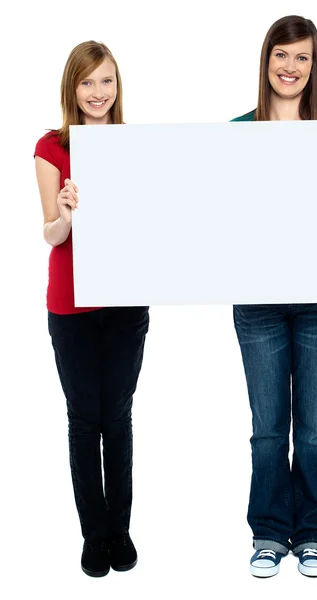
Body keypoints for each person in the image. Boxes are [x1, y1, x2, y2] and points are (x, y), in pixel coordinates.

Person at [231, 15, 317, 578]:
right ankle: (268, 533)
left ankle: (312, 534)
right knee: (266, 426)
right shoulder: (238, 131)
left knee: (313, 426)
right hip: (256, 297)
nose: (290, 66)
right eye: (282, 55)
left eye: (302, 57)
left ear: (314, 66)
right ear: (267, 61)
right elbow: (217, 218)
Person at [34, 41, 150, 578]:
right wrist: (66, 212)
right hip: (73, 307)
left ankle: (121, 529)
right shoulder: (52, 147)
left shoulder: (134, 146)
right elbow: (51, 235)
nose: (98, 92)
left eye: (106, 81)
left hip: (126, 303)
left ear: (117, 87)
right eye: (87, 82)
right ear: (72, 89)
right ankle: (94, 534)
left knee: (118, 417)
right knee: (85, 420)